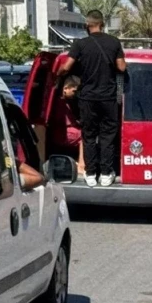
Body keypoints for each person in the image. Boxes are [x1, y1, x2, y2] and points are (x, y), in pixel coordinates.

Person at [57, 10, 126, 188]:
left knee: (88, 136)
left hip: (87, 98)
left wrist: (58, 75)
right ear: (102, 24)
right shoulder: (114, 42)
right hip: (108, 97)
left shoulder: (80, 44)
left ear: (86, 26)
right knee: (107, 136)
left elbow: (67, 66)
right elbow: (121, 67)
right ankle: (105, 173)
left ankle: (89, 174)